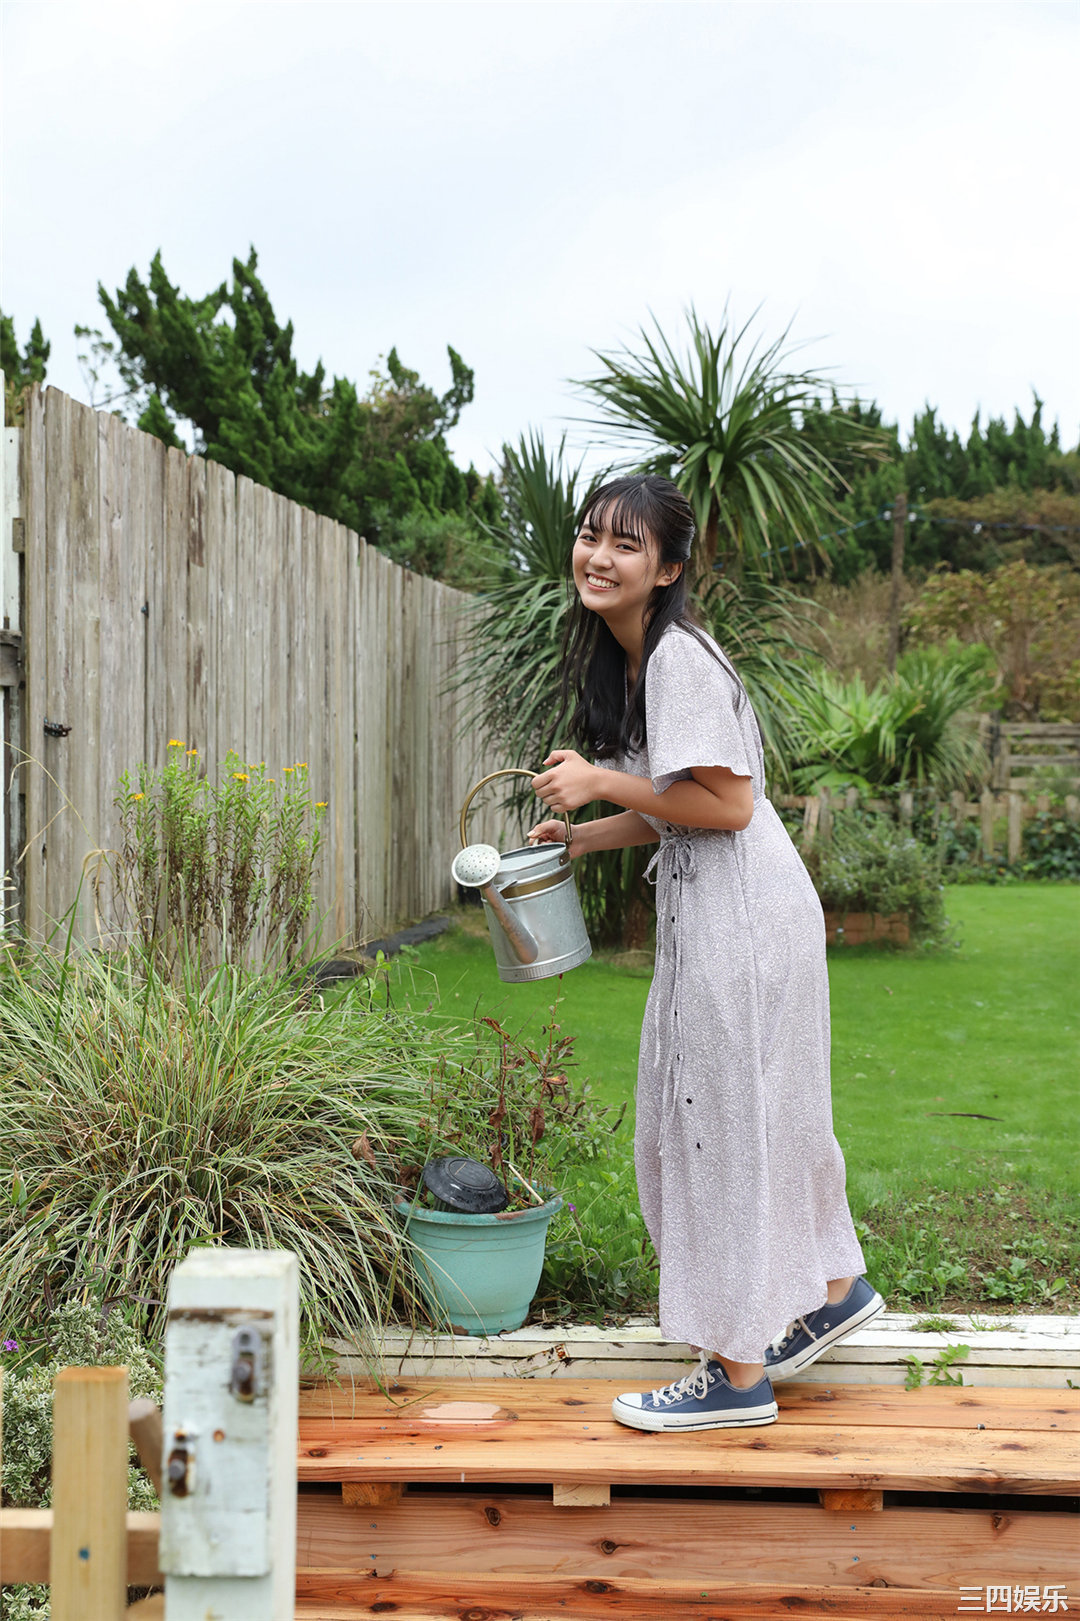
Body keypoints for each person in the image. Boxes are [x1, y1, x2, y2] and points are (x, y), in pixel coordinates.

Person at [527, 473, 884, 1432]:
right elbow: (681, 806)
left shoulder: (676, 658)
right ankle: (833, 1290)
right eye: (590, 535)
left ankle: (735, 1374)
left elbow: (726, 807)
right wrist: (587, 834)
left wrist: (603, 779)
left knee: (709, 1129)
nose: (599, 556)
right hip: (753, 907)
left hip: (742, 923)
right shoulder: (648, 657)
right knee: (762, 1115)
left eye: (626, 545)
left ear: (668, 567)